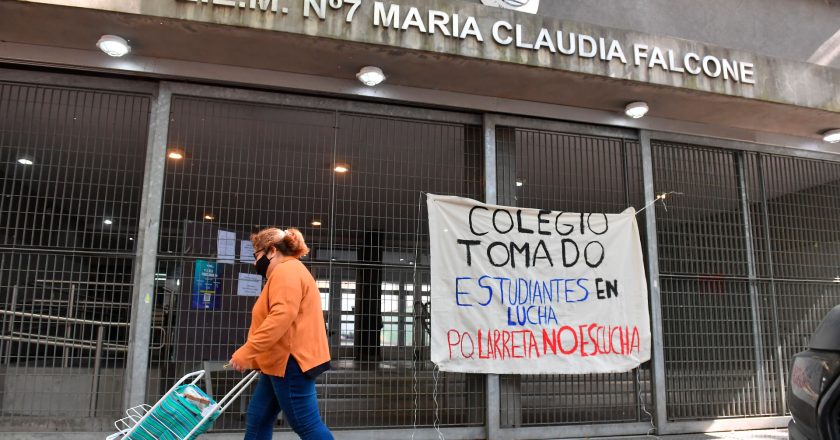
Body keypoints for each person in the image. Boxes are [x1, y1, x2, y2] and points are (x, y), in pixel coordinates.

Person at [228, 227, 333, 440]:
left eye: (256, 255)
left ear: (272, 251)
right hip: (279, 363)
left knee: (307, 425)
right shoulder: (288, 271)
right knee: (258, 417)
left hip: (290, 362)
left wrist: (247, 351)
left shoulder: (286, 272)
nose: (254, 262)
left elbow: (280, 317)